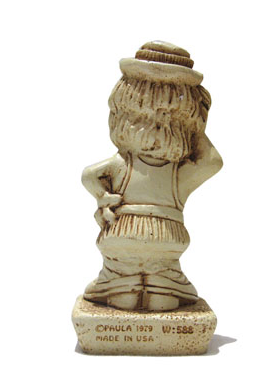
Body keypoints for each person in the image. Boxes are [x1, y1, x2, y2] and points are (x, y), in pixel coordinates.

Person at [82, 41, 223, 310]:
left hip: (123, 242)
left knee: (129, 300)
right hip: (164, 244)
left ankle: (129, 293)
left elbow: (88, 175)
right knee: (158, 301)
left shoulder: (132, 166)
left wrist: (102, 196)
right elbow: (211, 161)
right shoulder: (173, 173)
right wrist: (196, 124)